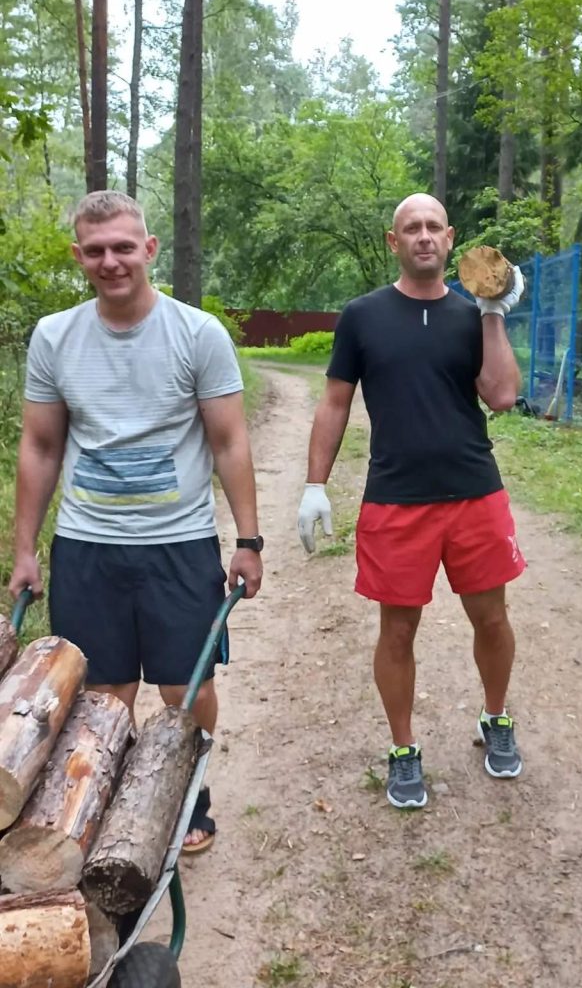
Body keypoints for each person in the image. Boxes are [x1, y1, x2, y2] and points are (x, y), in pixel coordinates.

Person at [8, 190, 264, 854]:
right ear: (79, 258)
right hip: (89, 546)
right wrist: (26, 550)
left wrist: (248, 540)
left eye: (124, 246)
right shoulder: (56, 337)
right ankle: (108, 808)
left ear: (149, 249)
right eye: (95, 250)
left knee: (186, 686)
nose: (111, 261)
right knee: (105, 692)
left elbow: (230, 441)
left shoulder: (196, 333)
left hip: (177, 544)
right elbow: (40, 446)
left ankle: (188, 795)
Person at [297, 192, 526, 809]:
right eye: (410, 228)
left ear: (450, 239)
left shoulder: (471, 314)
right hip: (396, 500)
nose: (423, 236)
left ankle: (496, 718)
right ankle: (403, 749)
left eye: (433, 227)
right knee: (397, 631)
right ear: (393, 243)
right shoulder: (363, 316)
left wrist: (492, 310)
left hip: (475, 492)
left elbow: (502, 395)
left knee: (493, 619)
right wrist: (315, 484)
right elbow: (336, 401)